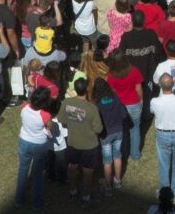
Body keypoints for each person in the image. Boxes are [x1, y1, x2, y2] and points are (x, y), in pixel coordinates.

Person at [58, 77, 103, 206]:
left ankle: (72, 191)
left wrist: (75, 118)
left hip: (73, 142)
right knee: (88, 172)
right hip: (90, 145)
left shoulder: (66, 102)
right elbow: (98, 129)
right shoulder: (92, 108)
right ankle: (86, 197)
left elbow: (61, 119)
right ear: (87, 89)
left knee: (72, 167)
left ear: (75, 89)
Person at [151, 73, 175, 201]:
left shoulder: (155, 101)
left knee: (163, 164)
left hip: (163, 134)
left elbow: (152, 111)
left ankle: (164, 193)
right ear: (173, 84)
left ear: (160, 86)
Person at [106, 50, 144, 162]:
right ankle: (135, 154)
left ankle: (124, 154)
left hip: (119, 106)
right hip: (134, 104)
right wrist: (141, 100)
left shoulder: (110, 76)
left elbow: (111, 92)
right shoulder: (134, 71)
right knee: (135, 129)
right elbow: (139, 89)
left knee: (122, 132)